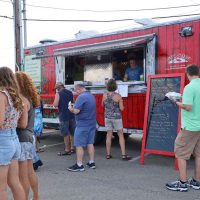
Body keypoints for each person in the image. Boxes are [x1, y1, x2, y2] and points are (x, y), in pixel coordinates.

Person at [166, 64, 200, 192]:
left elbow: (188, 107)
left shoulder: (189, 87)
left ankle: (182, 183)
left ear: (188, 74)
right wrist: (182, 97)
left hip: (190, 126)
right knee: (198, 154)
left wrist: (175, 101)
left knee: (180, 151)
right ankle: (197, 181)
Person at [0, 66, 26, 200]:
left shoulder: (1, 95)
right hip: (14, 140)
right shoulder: (18, 97)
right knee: (14, 182)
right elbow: (22, 123)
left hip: (3, 140)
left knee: (1, 188)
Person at [15, 71, 40, 200]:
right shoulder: (29, 97)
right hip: (30, 136)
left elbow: (22, 124)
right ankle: (36, 196)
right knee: (30, 172)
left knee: (22, 175)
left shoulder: (21, 99)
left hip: (22, 137)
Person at [67, 84, 96, 172]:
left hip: (82, 124)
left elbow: (76, 111)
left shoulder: (81, 97)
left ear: (79, 89)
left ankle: (79, 165)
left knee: (79, 145)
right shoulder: (91, 96)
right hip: (91, 123)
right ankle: (91, 162)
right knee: (90, 143)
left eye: (76, 91)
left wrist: (70, 108)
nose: (76, 93)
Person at [102, 79, 131, 160]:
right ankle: (123, 155)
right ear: (115, 86)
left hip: (107, 117)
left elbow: (102, 105)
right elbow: (121, 108)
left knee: (108, 135)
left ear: (107, 86)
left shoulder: (104, 95)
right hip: (117, 118)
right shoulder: (118, 96)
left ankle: (108, 154)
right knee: (121, 135)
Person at [53, 82, 75, 155]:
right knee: (72, 133)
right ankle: (72, 148)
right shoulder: (70, 92)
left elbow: (55, 104)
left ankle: (67, 149)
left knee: (65, 133)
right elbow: (72, 102)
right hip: (71, 114)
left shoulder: (58, 93)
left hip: (63, 115)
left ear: (58, 88)